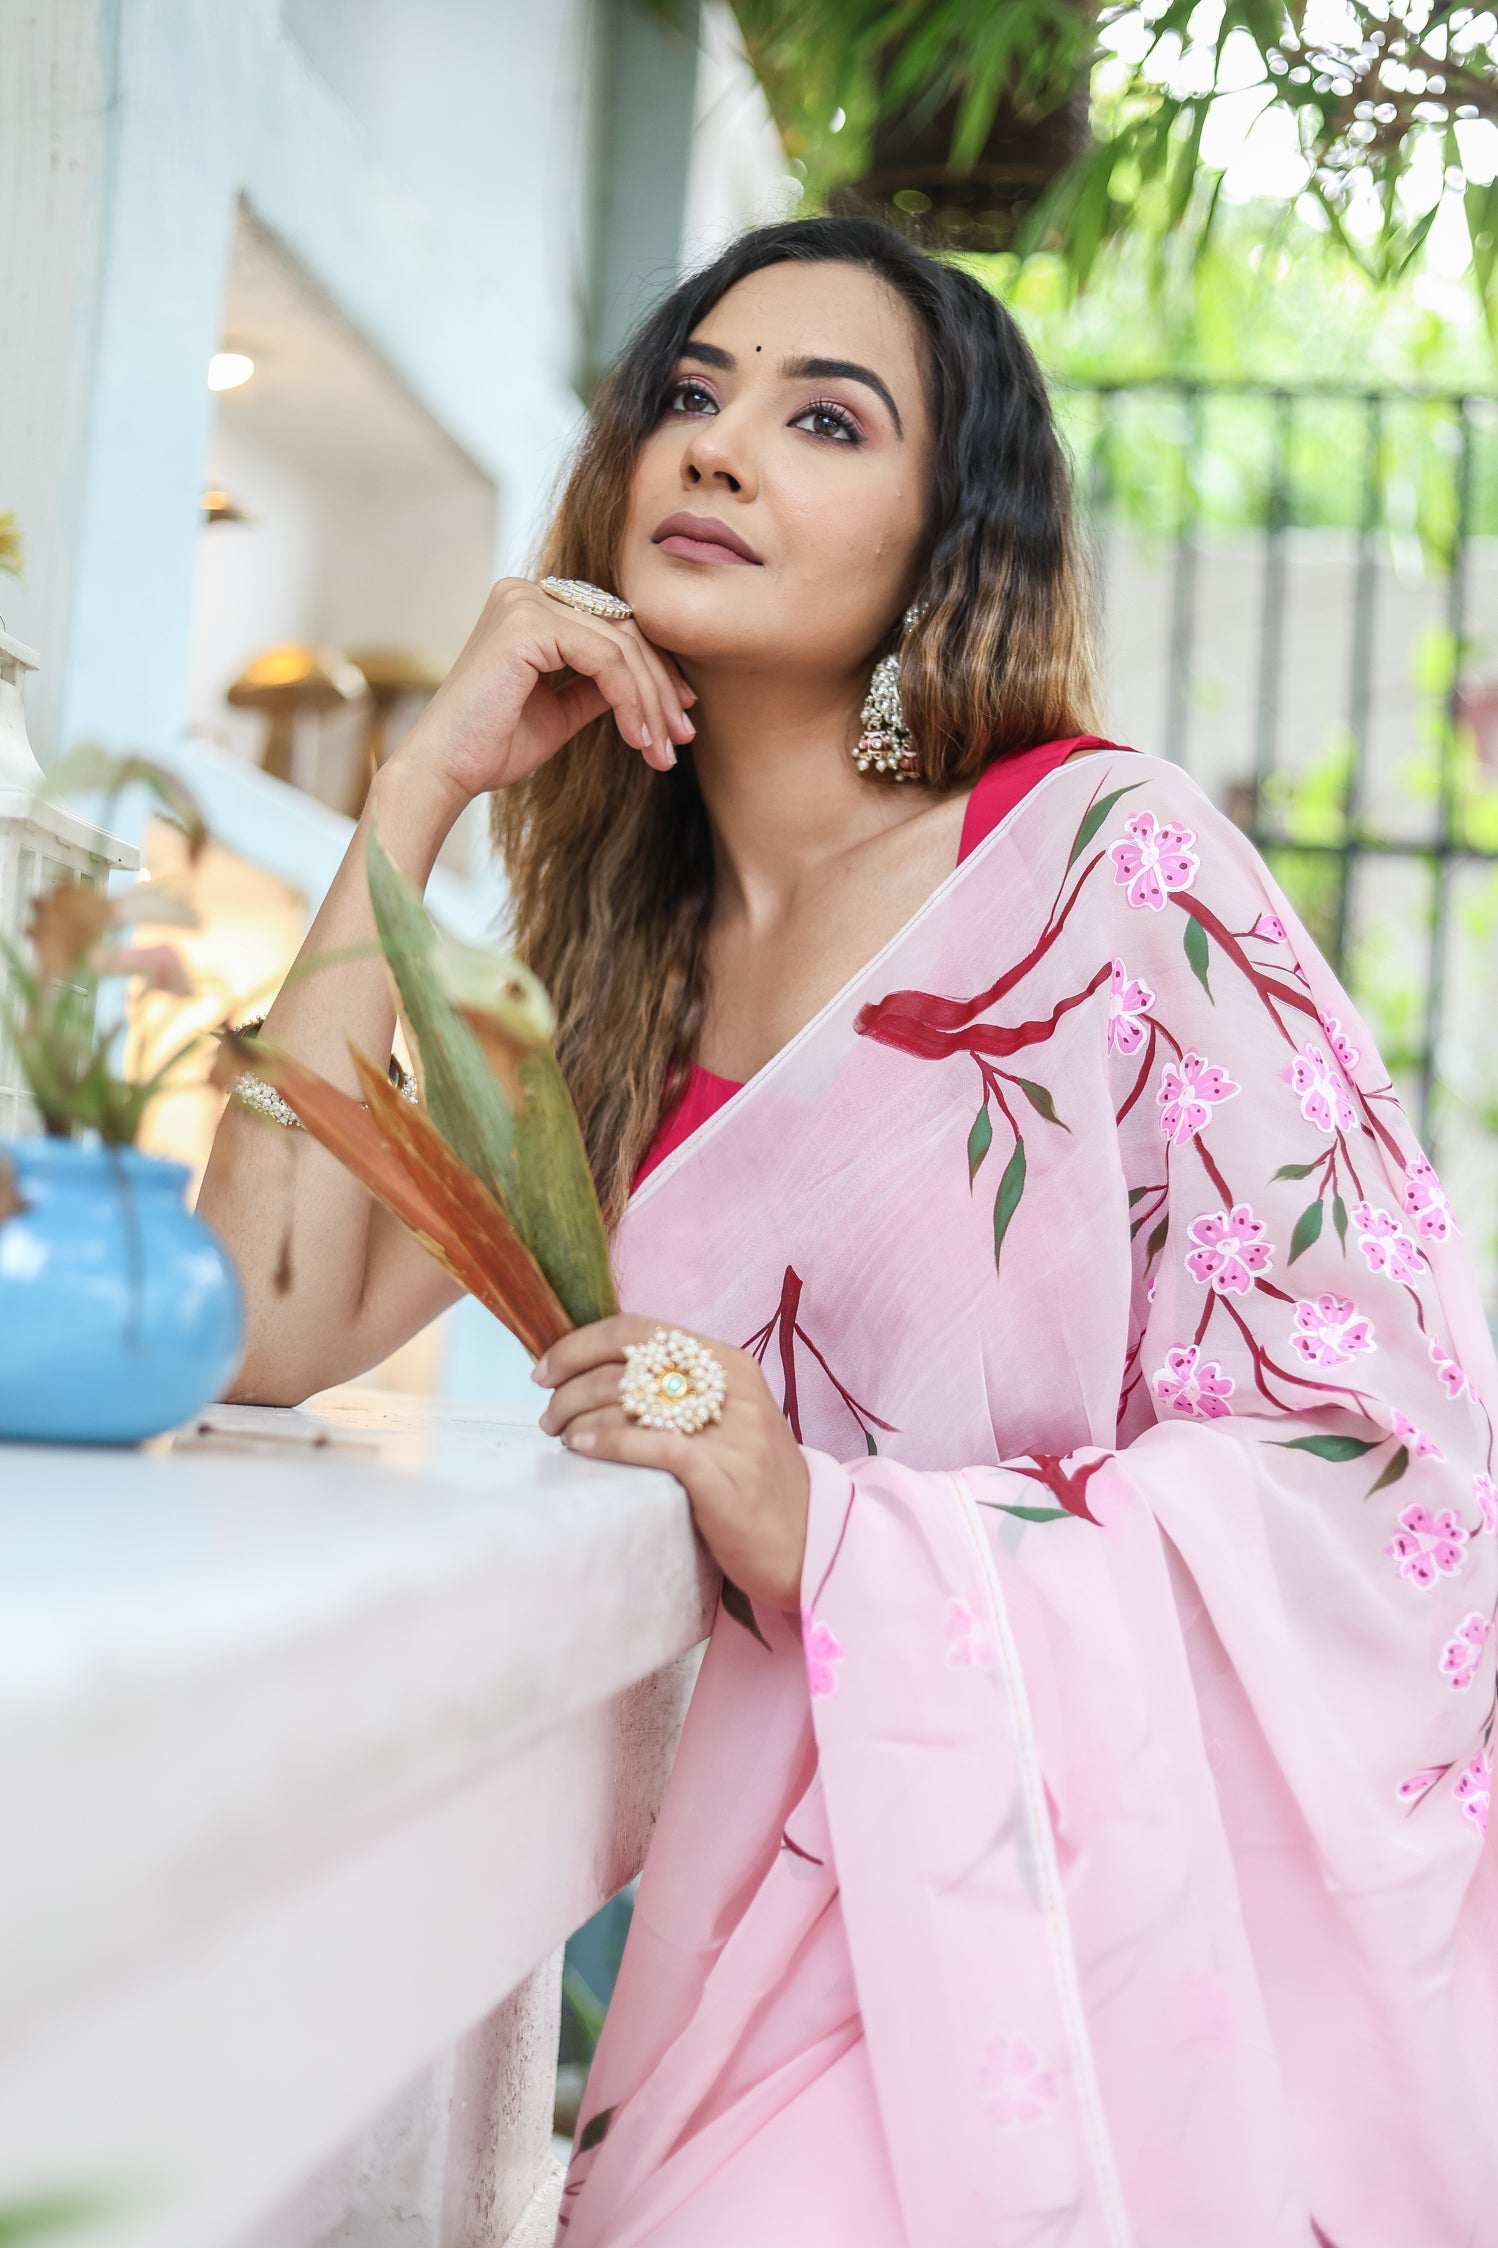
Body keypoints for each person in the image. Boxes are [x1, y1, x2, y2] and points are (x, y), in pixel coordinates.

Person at [199, 218, 1498, 2246]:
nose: (716, 450)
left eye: (823, 417)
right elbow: (259, 1318)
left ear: (939, 538)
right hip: (742, 1932)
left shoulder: (1103, 876)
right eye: (690, 396)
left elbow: (1389, 1452)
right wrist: (420, 785)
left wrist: (829, 1516)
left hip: (1051, 1921)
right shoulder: (591, 990)